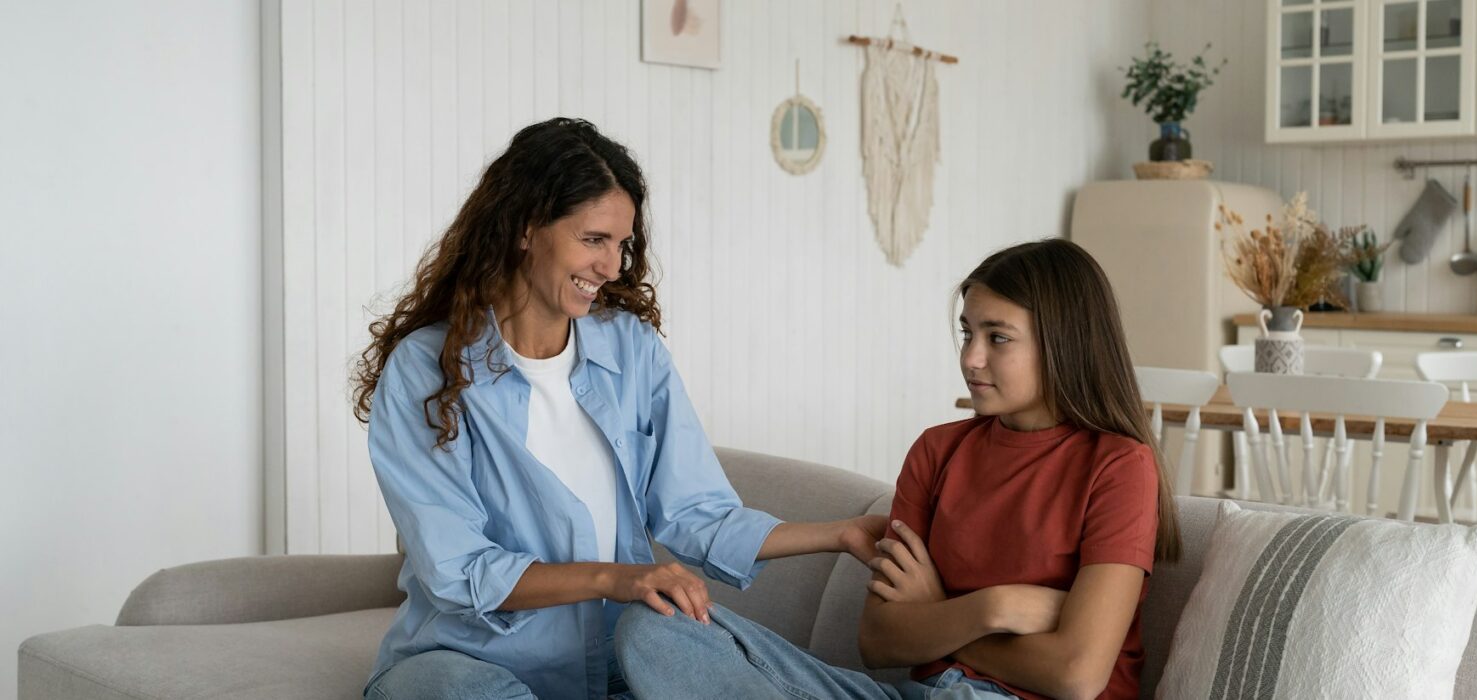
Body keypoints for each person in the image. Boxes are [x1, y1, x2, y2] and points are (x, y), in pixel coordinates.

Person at [352, 117, 886, 699]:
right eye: (593, 239)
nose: (610, 267)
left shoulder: (631, 351)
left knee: (668, 640)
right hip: (464, 659)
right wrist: (617, 578)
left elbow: (697, 513)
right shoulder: (427, 370)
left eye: (621, 244)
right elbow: (459, 569)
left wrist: (841, 533)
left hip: (606, 666)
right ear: (526, 229)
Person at [616, 238, 1182, 699]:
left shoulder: (1118, 465)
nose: (970, 358)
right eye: (967, 333)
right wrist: (993, 608)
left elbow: (1076, 675)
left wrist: (935, 619)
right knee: (654, 630)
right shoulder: (938, 452)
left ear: (1064, 344)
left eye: (997, 338)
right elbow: (881, 641)